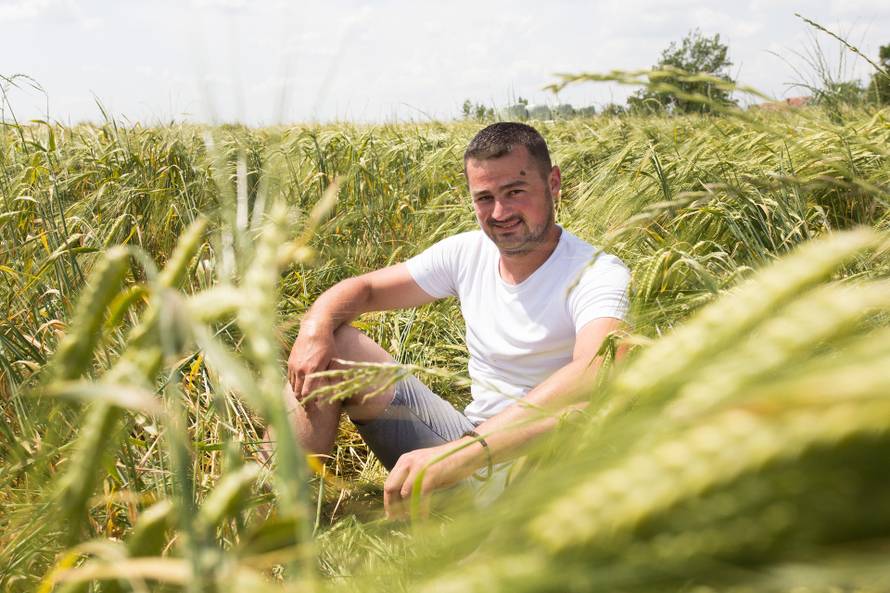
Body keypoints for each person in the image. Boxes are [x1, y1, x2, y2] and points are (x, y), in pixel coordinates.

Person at [281, 122, 630, 518]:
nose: (500, 213)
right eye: (484, 198)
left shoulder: (596, 273)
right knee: (336, 348)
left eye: (515, 192)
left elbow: (598, 368)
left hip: (546, 466)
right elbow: (366, 289)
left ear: (553, 183)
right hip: (464, 450)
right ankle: (270, 525)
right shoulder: (467, 253)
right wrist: (314, 329)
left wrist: (469, 450)